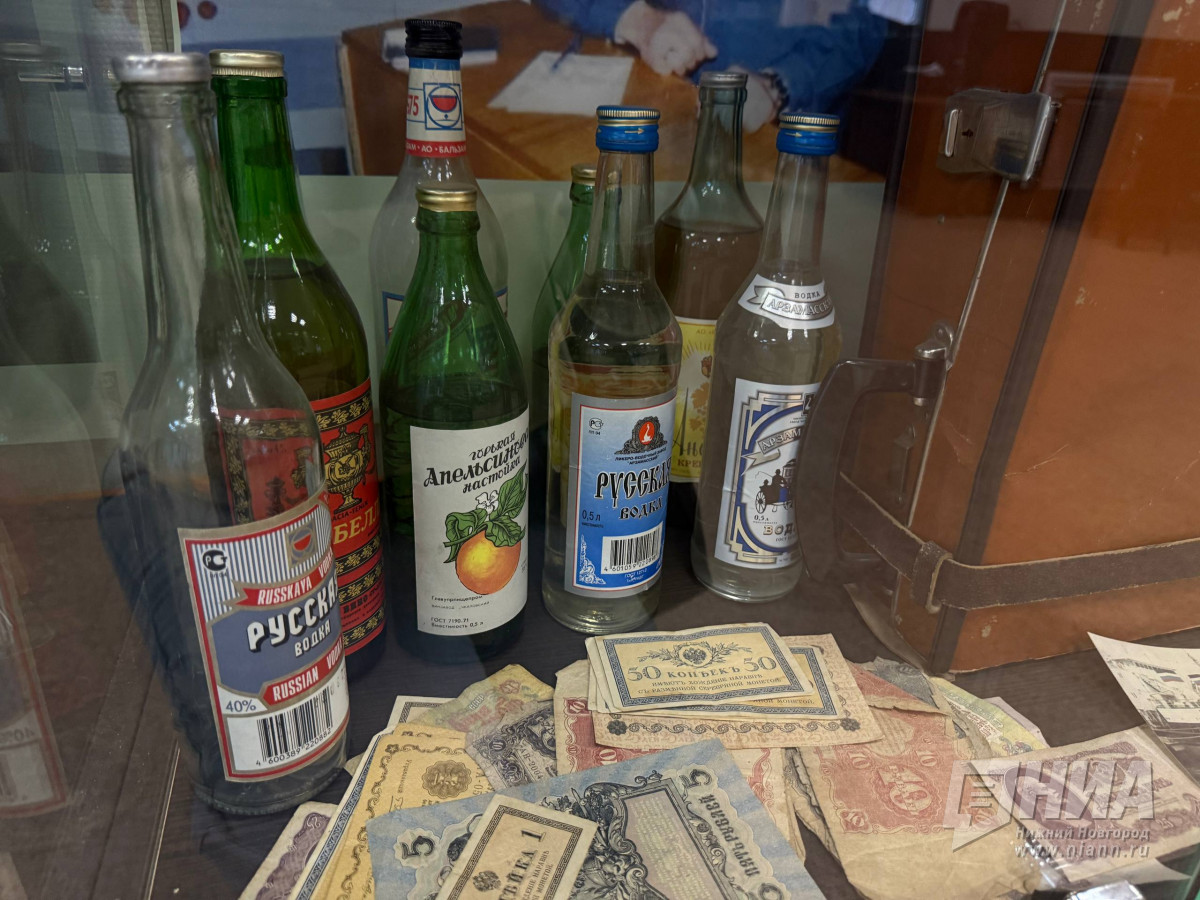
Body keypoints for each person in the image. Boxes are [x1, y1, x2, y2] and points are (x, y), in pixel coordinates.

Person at [534, 0, 890, 130]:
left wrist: (779, 86)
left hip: (774, 141)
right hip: (656, 113)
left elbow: (864, 26)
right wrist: (636, 19)